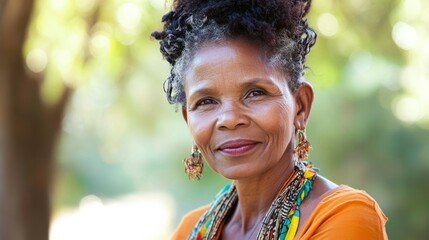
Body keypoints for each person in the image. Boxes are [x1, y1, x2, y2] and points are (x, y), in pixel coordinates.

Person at [152, 0, 388, 239]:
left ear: (300, 107)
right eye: (206, 101)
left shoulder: (343, 216)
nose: (230, 120)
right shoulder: (190, 230)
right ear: (187, 118)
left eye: (255, 93)